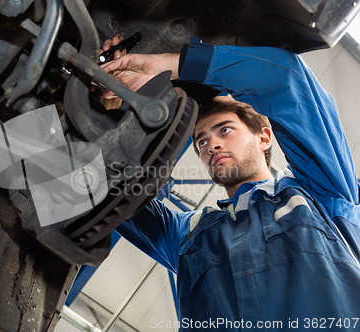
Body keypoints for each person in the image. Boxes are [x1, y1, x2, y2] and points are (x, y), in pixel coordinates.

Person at [101, 36, 360, 330]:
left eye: (225, 130)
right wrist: (99, 114)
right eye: (201, 141)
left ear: (263, 137)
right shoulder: (187, 234)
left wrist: (168, 65)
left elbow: (288, 79)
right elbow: (91, 190)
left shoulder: (318, 192)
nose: (211, 145)